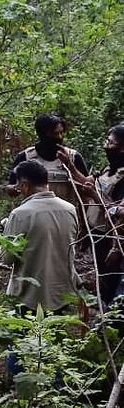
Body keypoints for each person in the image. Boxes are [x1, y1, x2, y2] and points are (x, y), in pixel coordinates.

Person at [3, 160, 81, 313]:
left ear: (25, 185)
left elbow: (8, 258)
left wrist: (7, 228)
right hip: (62, 293)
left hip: (29, 296)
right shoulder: (70, 209)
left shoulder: (20, 214)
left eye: (18, 185)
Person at [7, 114, 89, 211]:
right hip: (34, 214)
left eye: (61, 133)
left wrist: (71, 167)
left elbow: (88, 188)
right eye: (54, 134)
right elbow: (10, 188)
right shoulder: (26, 157)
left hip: (65, 214)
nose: (59, 137)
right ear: (43, 134)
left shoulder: (73, 157)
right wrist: (19, 187)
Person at [81, 125, 124, 306]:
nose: (106, 146)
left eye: (111, 142)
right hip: (99, 234)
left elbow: (119, 212)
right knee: (105, 280)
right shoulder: (109, 170)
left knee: (114, 283)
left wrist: (116, 247)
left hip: (115, 239)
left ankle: (112, 323)